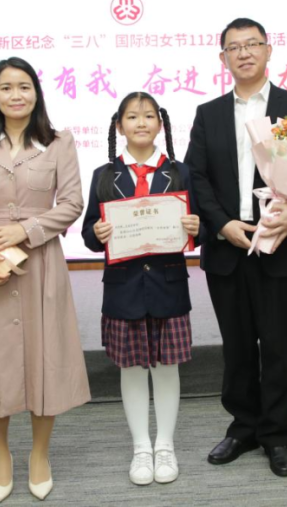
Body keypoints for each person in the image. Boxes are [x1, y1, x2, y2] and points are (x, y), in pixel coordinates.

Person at [184, 18, 287, 478]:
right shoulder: (208, 113)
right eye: (234, 47)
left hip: (282, 245)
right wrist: (222, 223)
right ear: (222, 58)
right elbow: (196, 177)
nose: (244, 53)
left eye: (252, 44)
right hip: (229, 248)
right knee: (238, 347)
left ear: (269, 50)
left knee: (279, 346)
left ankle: (276, 436)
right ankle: (243, 428)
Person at [0, 56, 90, 503]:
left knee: (46, 360)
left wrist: (24, 230)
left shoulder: (59, 143)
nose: (16, 95)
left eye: (24, 86)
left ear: (37, 93)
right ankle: (1, 456)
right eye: (6, 87)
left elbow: (72, 204)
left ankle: (39, 455)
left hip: (40, 265)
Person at [81, 92, 200, 486]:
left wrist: (196, 228)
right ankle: (141, 448)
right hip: (124, 289)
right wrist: (98, 233)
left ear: (160, 124)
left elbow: (199, 227)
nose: (141, 123)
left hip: (168, 286)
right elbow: (88, 235)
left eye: (149, 116)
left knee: (167, 369)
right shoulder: (104, 175)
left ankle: (165, 446)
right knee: (131, 370)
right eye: (132, 117)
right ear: (120, 126)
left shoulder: (179, 172)